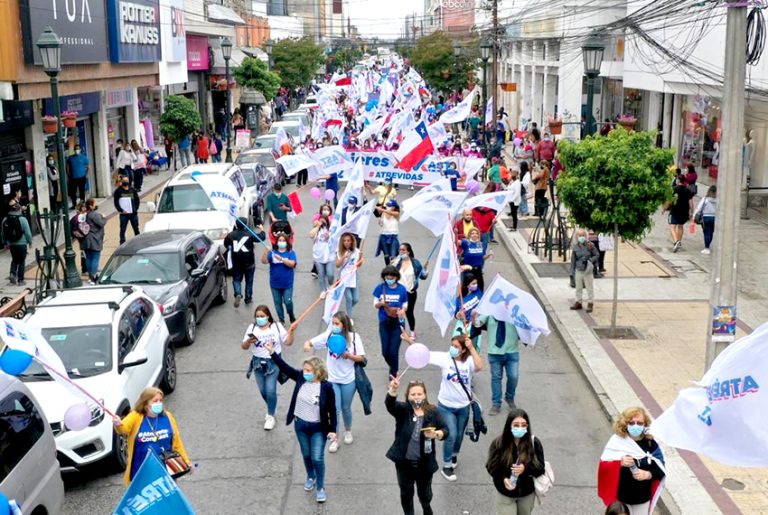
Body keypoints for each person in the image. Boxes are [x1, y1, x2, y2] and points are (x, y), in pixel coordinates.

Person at [264, 342, 336, 504]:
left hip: (318, 428)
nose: (305, 373)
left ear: (318, 372)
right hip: (301, 425)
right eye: (304, 370)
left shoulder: (327, 387)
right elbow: (285, 367)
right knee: (306, 455)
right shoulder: (300, 378)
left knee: (317, 458)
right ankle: (311, 476)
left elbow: (332, 410)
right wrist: (272, 352)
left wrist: (333, 430)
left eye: (309, 371)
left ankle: (320, 487)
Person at [414, 333, 483, 482]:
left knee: (458, 436)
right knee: (450, 434)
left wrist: (472, 348)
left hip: (463, 406)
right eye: (452, 345)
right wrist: (409, 341)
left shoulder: (469, 361)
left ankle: (453, 455)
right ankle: (446, 465)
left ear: (464, 350)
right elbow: (424, 354)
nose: (452, 348)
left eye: (456, 346)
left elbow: (480, 366)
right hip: (445, 406)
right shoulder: (445, 358)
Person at [304, 311, 366, 452]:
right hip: (332, 379)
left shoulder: (354, 338)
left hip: (348, 379)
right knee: (334, 410)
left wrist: (349, 355)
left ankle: (348, 430)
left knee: (345, 408)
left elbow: (362, 357)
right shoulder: (329, 335)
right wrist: (307, 345)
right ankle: (334, 438)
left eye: (336, 324)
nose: (334, 326)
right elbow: (311, 342)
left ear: (344, 325)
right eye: (333, 323)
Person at [386, 376, 447, 515]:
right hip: (404, 463)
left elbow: (445, 429)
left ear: (425, 395)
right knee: (406, 493)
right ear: (407, 396)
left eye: (419, 393)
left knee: (425, 494)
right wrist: (393, 389)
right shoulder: (403, 410)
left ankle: (426, 507)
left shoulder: (433, 412)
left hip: (425, 464)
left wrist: (437, 434)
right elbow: (390, 404)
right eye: (413, 394)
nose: (416, 397)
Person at [112, 387, 190, 486]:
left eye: (160, 400)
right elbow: (123, 429)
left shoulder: (168, 417)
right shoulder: (135, 416)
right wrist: (118, 424)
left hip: (166, 471)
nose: (159, 403)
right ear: (145, 403)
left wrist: (186, 461)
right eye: (155, 401)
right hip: (141, 471)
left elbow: (177, 441)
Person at [598, 407, 666, 515]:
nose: (636, 426)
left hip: (642, 500)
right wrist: (619, 463)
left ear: (645, 425)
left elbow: (661, 468)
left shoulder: (650, 444)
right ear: (625, 423)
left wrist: (648, 474)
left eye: (640, 423)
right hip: (621, 500)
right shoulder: (617, 441)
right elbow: (604, 466)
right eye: (632, 422)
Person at [241, 305, 295, 430]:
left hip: (274, 361)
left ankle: (270, 416)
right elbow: (243, 346)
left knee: (270, 390)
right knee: (263, 391)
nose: (260, 318)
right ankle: (272, 406)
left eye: (262, 316)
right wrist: (248, 342)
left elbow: (288, 342)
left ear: (268, 316)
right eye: (257, 316)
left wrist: (291, 332)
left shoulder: (276, 327)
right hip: (258, 363)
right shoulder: (252, 328)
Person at [486, 409, 546, 514]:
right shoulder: (498, 443)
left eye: (523, 425)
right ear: (509, 426)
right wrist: (503, 479)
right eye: (516, 425)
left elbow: (540, 468)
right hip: (505, 494)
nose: (520, 428)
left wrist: (525, 469)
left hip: (526, 494)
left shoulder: (534, 443)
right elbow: (491, 467)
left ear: (527, 426)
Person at [474, 313, 520, 415]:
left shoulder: (514, 312)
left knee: (514, 376)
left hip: (512, 351)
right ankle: (496, 404)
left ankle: (509, 397)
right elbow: (477, 324)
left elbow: (525, 326)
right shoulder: (490, 312)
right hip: (494, 352)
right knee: (496, 378)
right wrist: (474, 317)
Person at [373, 265, 409, 378]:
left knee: (393, 351)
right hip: (384, 321)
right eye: (387, 278)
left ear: (396, 277)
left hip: (398, 322)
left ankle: (394, 373)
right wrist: (381, 303)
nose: (389, 280)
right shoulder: (380, 288)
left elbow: (405, 303)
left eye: (391, 278)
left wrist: (403, 310)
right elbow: (375, 304)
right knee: (385, 351)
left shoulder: (402, 289)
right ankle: (393, 367)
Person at [392, 243, 429, 340]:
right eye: (400, 250)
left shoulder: (415, 263)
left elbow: (423, 276)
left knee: (409, 312)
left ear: (408, 251)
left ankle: (412, 331)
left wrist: (425, 270)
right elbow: (389, 274)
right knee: (398, 311)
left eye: (403, 250)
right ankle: (400, 330)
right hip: (398, 292)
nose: (401, 252)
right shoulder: (397, 262)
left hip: (410, 292)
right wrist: (393, 264)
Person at [224, 217, 263, 307]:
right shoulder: (250, 233)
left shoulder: (231, 235)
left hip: (237, 262)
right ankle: (248, 299)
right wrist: (262, 230)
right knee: (249, 281)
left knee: (237, 280)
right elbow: (261, 238)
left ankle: (238, 293)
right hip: (249, 262)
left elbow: (226, 244)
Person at [262, 234, 297, 324]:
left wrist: (281, 259)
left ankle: (291, 315)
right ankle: (281, 320)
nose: (281, 242)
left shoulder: (290, 253)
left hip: (287, 284)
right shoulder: (272, 252)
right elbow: (264, 261)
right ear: (277, 242)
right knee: (278, 303)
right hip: (275, 284)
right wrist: (266, 251)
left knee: (288, 301)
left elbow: (292, 264)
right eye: (279, 240)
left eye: (283, 240)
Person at [2, 200, 31, 286]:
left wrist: (5, 242)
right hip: (22, 244)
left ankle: (12, 274)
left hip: (12, 244)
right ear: (19, 210)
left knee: (14, 260)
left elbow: (3, 233)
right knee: (21, 261)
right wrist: (30, 241)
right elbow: (28, 233)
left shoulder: (5, 219)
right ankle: (20, 280)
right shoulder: (22, 219)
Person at [570, 229, 599, 312]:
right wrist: (571, 272)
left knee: (589, 288)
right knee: (578, 288)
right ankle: (578, 302)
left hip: (588, 270)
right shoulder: (575, 247)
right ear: (577, 237)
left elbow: (597, 255)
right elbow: (573, 261)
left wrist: (590, 260)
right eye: (580, 235)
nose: (581, 237)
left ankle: (590, 303)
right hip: (579, 270)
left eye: (583, 235)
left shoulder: (590, 245)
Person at [335, 232, 363, 315]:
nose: (346, 242)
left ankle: (348, 310)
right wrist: (343, 257)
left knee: (356, 299)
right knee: (349, 298)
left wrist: (360, 257)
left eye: (348, 240)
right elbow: (337, 265)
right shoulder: (339, 252)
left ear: (351, 242)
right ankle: (349, 318)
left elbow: (359, 265)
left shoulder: (356, 251)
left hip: (353, 276)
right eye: (344, 241)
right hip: (344, 277)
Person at [81, 198, 105, 284]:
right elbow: (101, 223)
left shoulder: (84, 215)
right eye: (95, 203)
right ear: (91, 206)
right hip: (95, 239)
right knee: (95, 258)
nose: (96, 204)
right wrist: (103, 217)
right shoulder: (95, 215)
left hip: (86, 239)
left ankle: (90, 276)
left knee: (89, 258)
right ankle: (93, 276)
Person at [668, 173, 693, 252]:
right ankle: (679, 241)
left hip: (675, 210)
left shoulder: (674, 189)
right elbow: (691, 202)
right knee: (680, 226)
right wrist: (691, 212)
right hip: (684, 211)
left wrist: (664, 208)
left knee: (672, 226)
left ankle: (676, 241)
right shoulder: (688, 190)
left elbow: (669, 200)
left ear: (678, 180)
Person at [309, 212, 334, 290]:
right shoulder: (316, 230)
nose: (322, 223)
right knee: (321, 275)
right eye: (321, 221)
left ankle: (330, 284)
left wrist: (329, 237)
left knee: (330, 274)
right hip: (318, 257)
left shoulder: (331, 230)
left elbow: (335, 241)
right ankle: (323, 291)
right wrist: (317, 227)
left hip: (329, 256)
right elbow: (311, 235)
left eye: (324, 221)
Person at [460, 228, 490, 292]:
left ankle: (478, 300)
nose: (475, 235)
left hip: (478, 269)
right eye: (472, 233)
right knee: (466, 288)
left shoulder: (480, 244)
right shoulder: (466, 242)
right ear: (469, 235)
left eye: (476, 233)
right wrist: (456, 233)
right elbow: (455, 242)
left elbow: (481, 258)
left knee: (480, 287)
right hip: (468, 269)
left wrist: (488, 256)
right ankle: (462, 300)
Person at [113, 177, 140, 245]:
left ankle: (138, 241)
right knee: (122, 229)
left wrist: (135, 208)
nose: (126, 182)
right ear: (122, 181)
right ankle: (122, 243)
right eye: (124, 181)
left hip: (133, 214)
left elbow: (137, 200)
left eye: (127, 180)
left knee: (136, 228)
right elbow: (116, 202)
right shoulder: (118, 191)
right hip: (124, 214)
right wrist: (120, 210)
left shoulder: (132, 190)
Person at [375, 199, 401, 266]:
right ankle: (388, 268)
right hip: (383, 235)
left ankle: (393, 268)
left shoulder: (396, 213)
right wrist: (380, 222)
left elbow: (391, 213)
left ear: (394, 207)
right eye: (387, 205)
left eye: (389, 206)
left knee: (393, 254)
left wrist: (382, 209)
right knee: (386, 255)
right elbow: (381, 224)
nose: (387, 207)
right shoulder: (383, 213)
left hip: (393, 236)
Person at [694, 185, 717, 255]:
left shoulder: (705, 199)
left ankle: (707, 247)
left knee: (706, 232)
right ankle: (709, 243)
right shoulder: (718, 200)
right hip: (715, 218)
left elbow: (699, 208)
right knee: (711, 232)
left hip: (706, 217)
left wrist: (694, 215)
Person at [67, 144, 89, 208]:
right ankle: (74, 204)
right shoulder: (70, 158)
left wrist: (86, 175)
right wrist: (69, 175)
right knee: (73, 192)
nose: (77, 150)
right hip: (73, 178)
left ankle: (82, 204)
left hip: (82, 177)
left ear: (80, 150)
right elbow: (67, 167)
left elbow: (88, 167)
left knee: (82, 191)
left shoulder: (84, 157)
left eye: (78, 149)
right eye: (76, 149)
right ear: (74, 150)